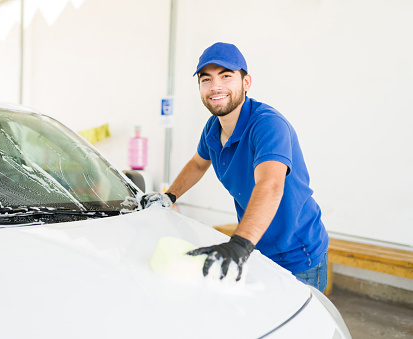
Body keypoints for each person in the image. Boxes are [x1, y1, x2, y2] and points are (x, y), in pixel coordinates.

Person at [140, 42, 329, 292]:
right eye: (206, 79)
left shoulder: (268, 125)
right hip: (255, 245)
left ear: (246, 82)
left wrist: (239, 244)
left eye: (226, 76)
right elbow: (198, 164)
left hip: (296, 253)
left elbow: (270, 185)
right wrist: (169, 195)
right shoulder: (213, 127)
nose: (215, 86)